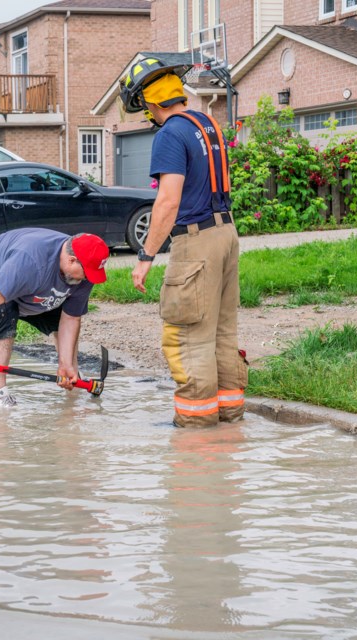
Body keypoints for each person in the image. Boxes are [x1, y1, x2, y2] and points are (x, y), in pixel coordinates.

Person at [119, 56, 247, 428]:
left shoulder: (169, 134)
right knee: (222, 333)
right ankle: (231, 418)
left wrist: (146, 255)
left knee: (188, 336)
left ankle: (196, 434)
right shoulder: (207, 124)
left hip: (196, 243)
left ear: (151, 103)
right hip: (226, 234)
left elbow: (168, 201)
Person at [0, 228, 109, 407]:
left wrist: (65, 364)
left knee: (58, 309)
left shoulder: (84, 271)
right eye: (87, 273)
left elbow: (71, 318)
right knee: (4, 309)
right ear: (72, 260)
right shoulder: (30, 262)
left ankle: (71, 372)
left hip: (29, 284)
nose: (89, 279)